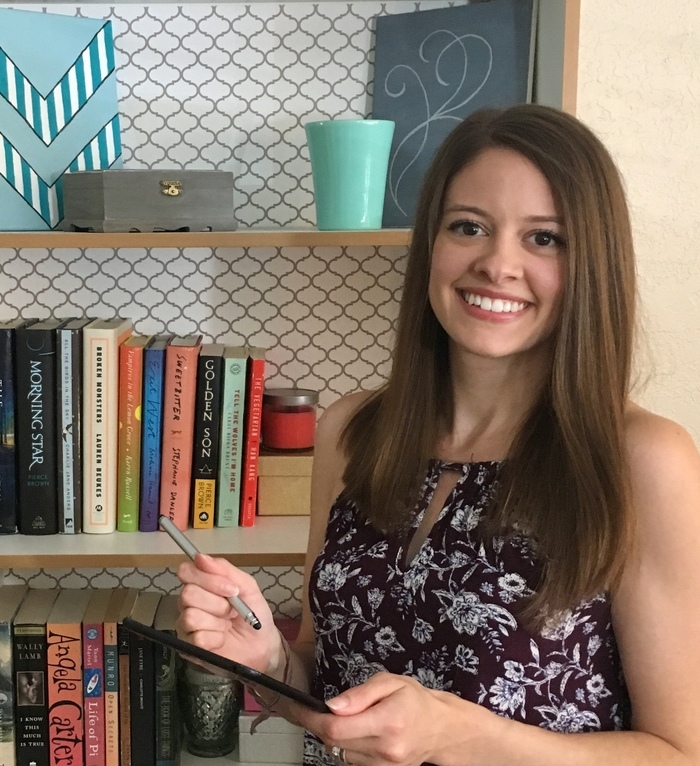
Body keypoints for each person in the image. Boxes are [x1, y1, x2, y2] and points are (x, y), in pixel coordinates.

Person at [176, 104, 700, 765]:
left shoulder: (642, 459)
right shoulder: (353, 432)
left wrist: (462, 737)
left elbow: (679, 752)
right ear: (431, 242)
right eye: (468, 227)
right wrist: (268, 661)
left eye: (544, 238)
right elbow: (325, 677)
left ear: (592, 263)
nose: (497, 264)